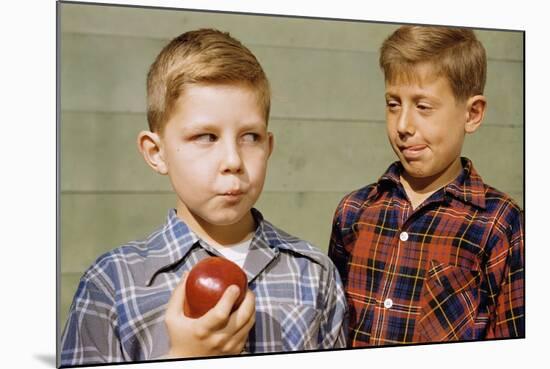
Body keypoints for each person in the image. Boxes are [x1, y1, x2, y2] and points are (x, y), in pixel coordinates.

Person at [60, 28, 347, 366]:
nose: (232, 161)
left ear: (269, 147)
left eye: (250, 137)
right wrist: (184, 357)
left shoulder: (313, 274)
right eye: (206, 136)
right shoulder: (113, 284)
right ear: (156, 152)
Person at [328, 25, 524, 346]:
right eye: (393, 104)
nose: (403, 126)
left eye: (423, 106)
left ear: (472, 114)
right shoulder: (353, 212)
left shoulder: (502, 225)